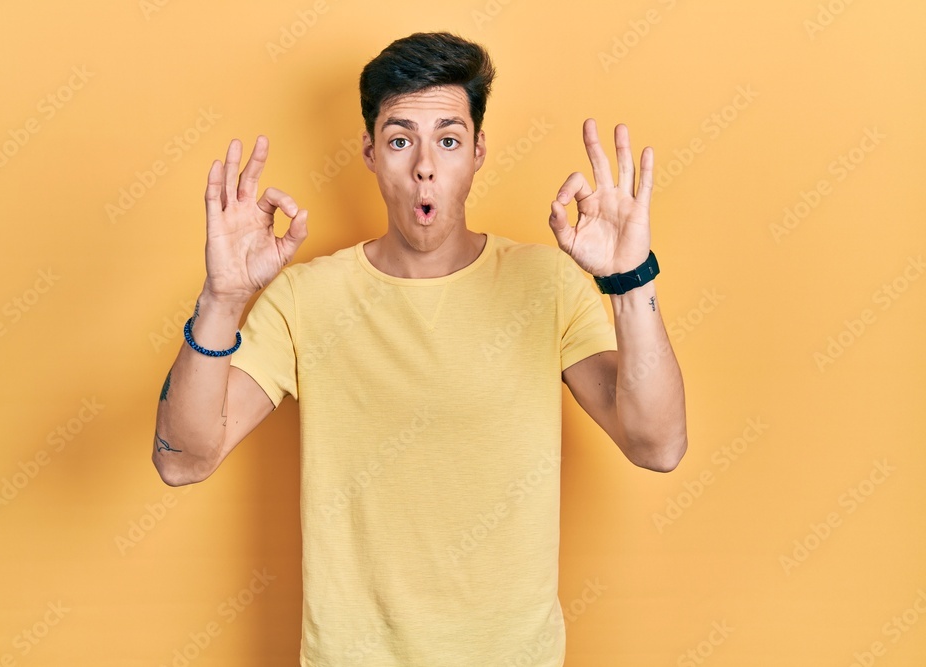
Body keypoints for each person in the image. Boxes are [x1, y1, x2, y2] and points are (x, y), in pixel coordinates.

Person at [153, 31, 686, 667]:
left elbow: (658, 444)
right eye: (401, 139)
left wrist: (629, 280)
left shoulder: (545, 286)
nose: (425, 165)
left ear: (479, 151)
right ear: (371, 154)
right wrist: (221, 299)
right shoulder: (305, 296)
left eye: (449, 140)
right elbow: (182, 460)